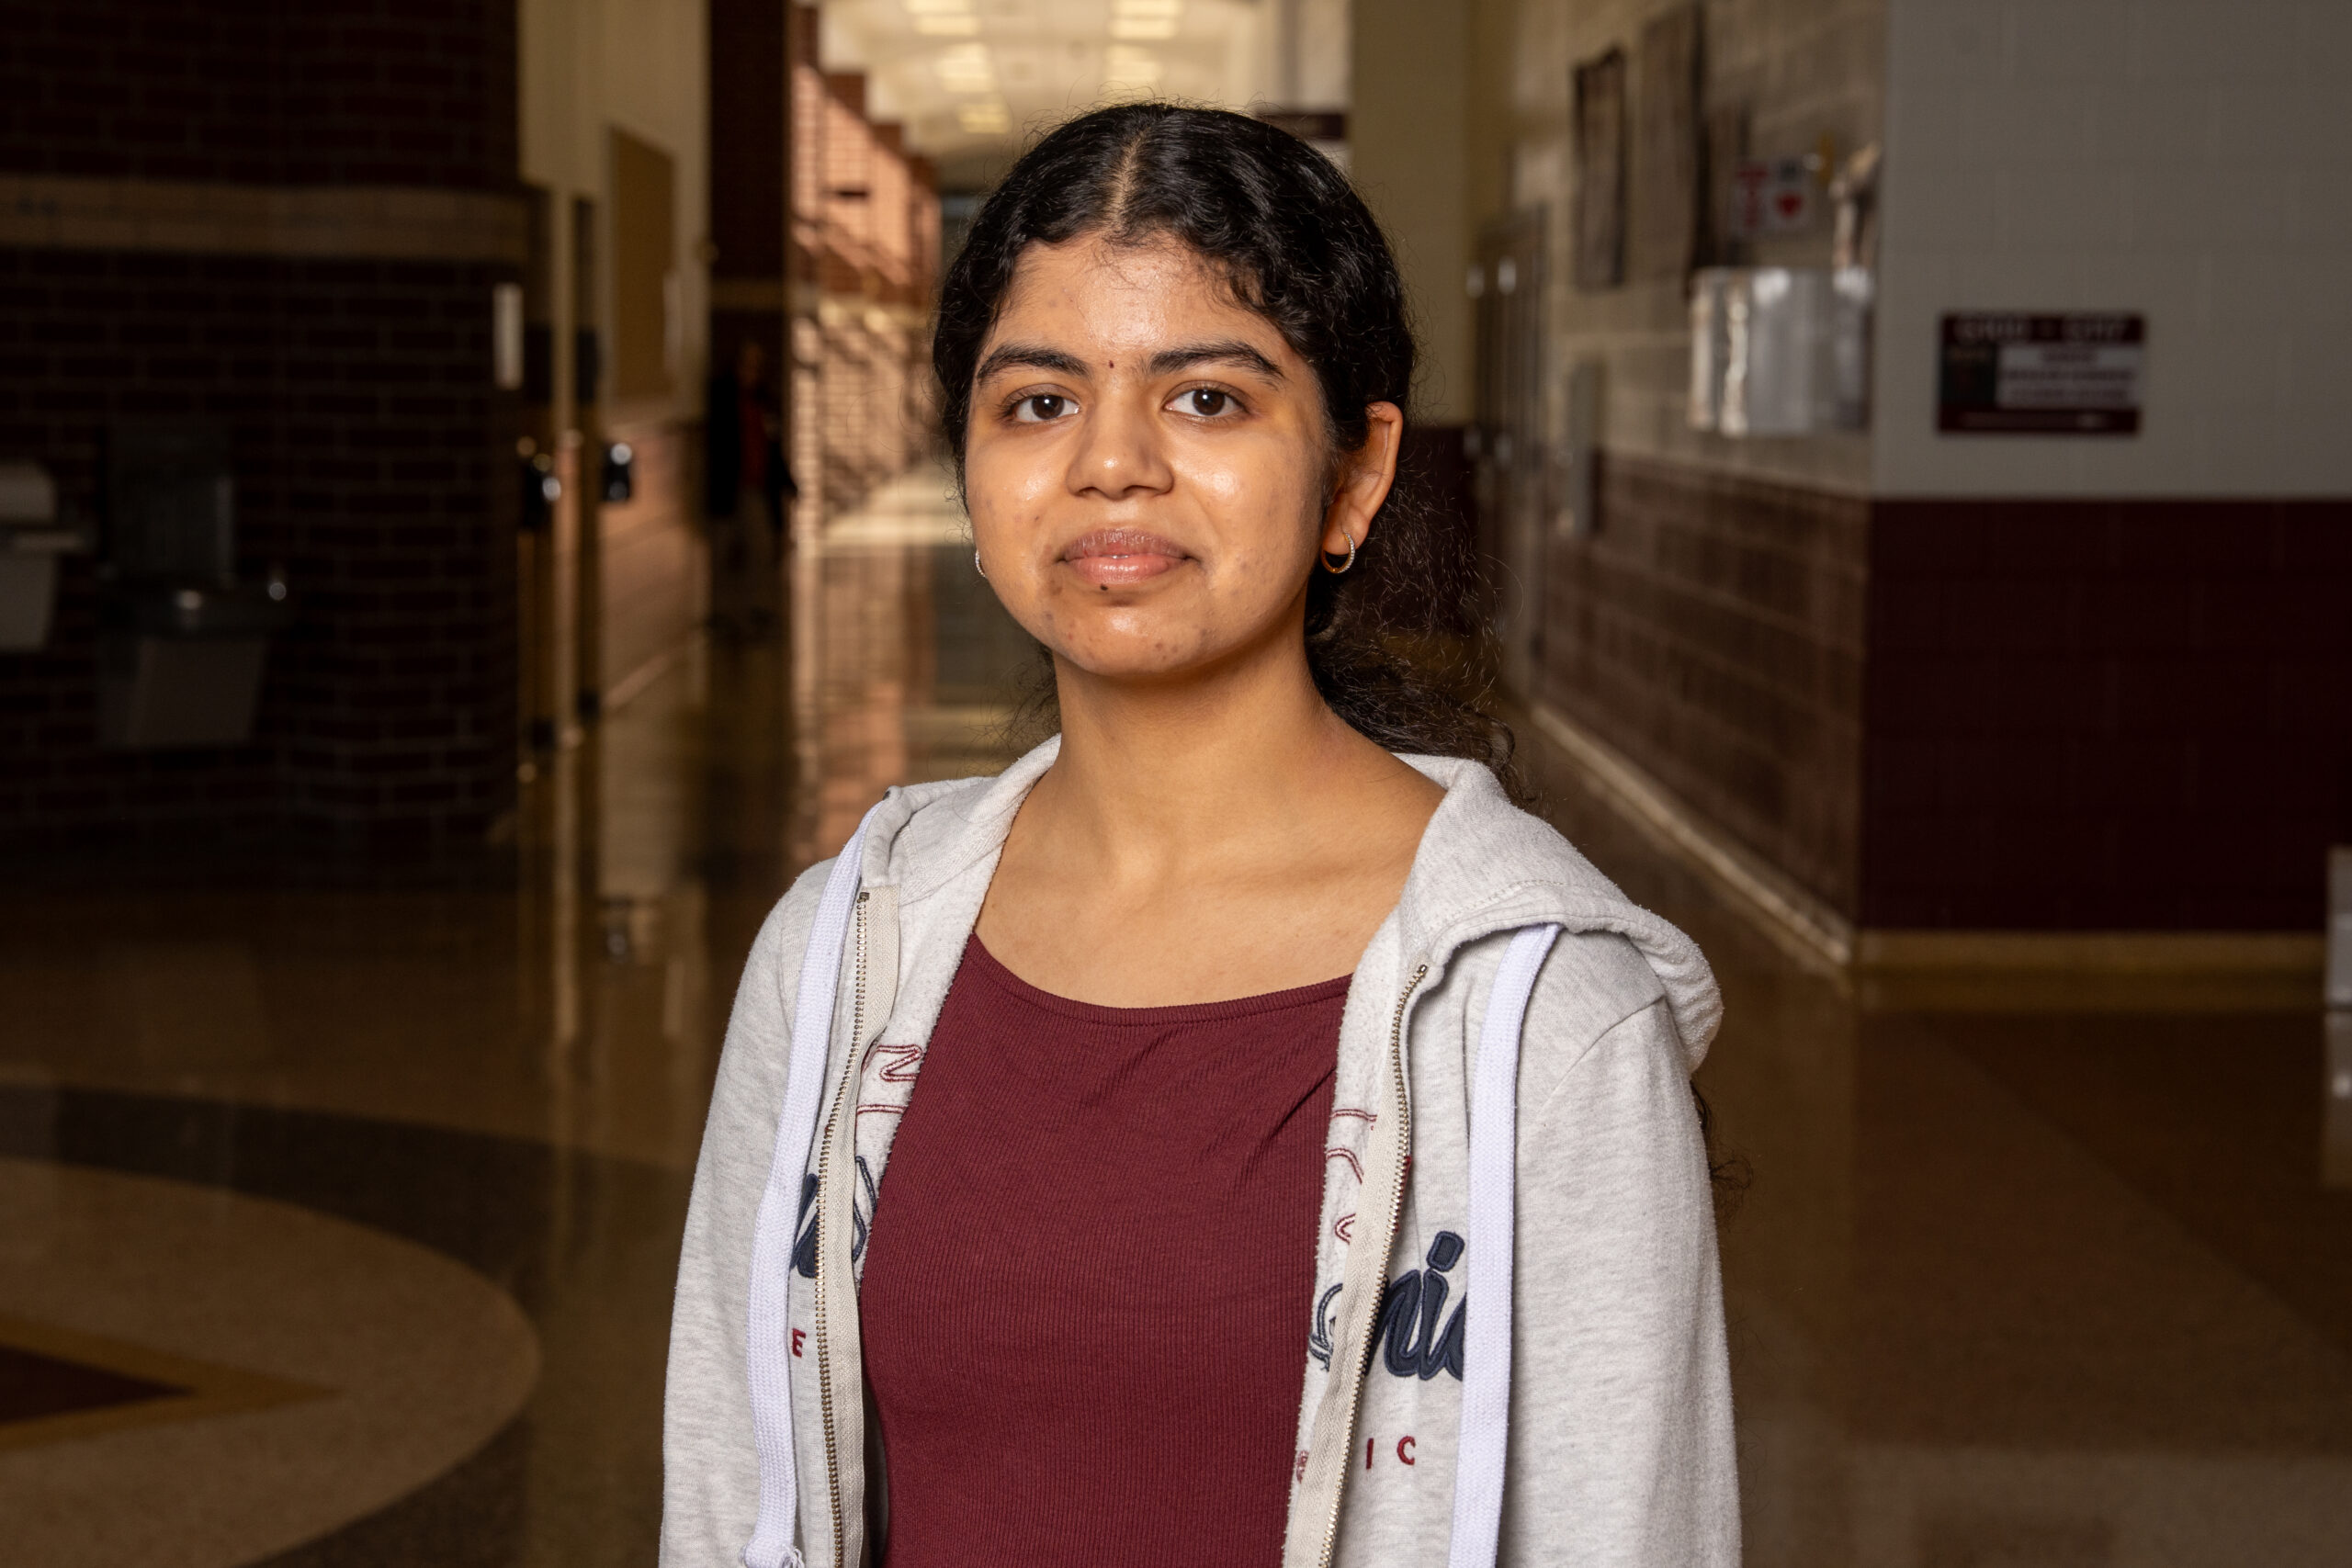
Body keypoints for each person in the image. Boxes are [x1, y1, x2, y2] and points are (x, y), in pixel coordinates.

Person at [662, 105, 1737, 1568]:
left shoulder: (1541, 1019)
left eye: (1208, 399)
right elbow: (736, 1496)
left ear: (1356, 476)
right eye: (1038, 402)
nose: (1112, 464)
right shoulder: (847, 952)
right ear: (970, 471)